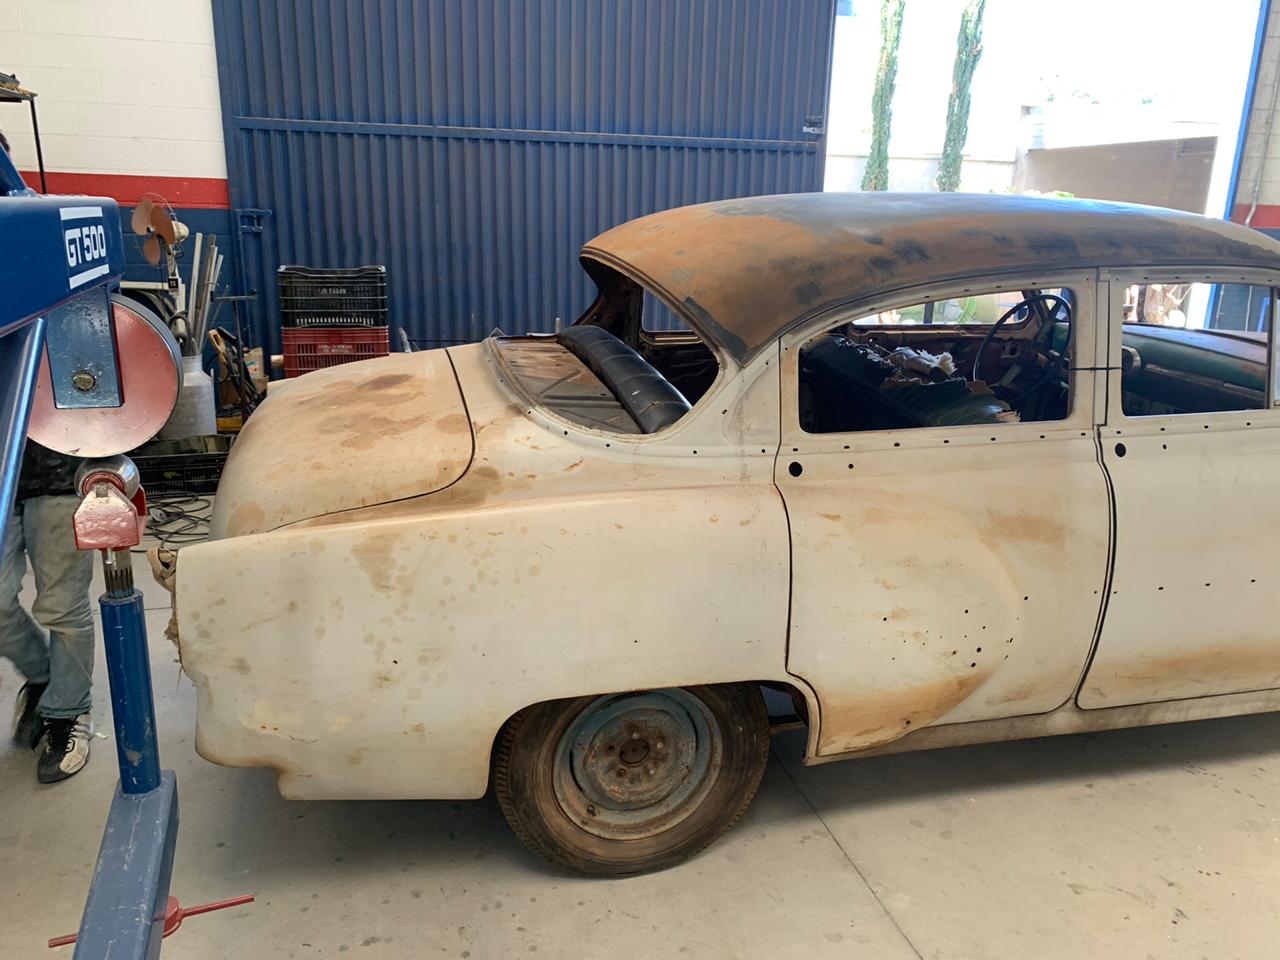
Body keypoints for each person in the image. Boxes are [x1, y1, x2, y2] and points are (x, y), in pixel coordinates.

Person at [1, 442, 95, 782]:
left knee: (63, 607)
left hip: (61, 471)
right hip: (4, 473)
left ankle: (69, 710)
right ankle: (43, 679)